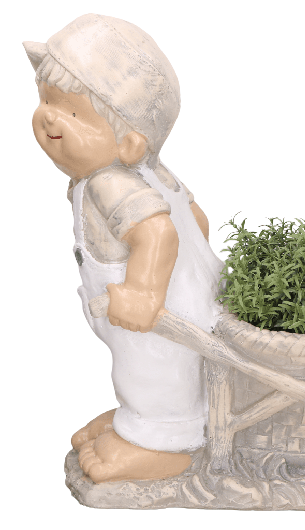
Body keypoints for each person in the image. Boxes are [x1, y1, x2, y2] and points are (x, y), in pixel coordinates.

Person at [23, 13, 225, 483]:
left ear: (130, 143)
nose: (49, 116)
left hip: (159, 316)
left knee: (153, 372)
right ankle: (139, 422)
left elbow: (158, 232)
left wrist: (144, 293)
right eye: (47, 100)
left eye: (74, 113)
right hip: (189, 300)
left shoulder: (110, 183)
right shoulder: (152, 171)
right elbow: (197, 219)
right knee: (147, 374)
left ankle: (164, 443)